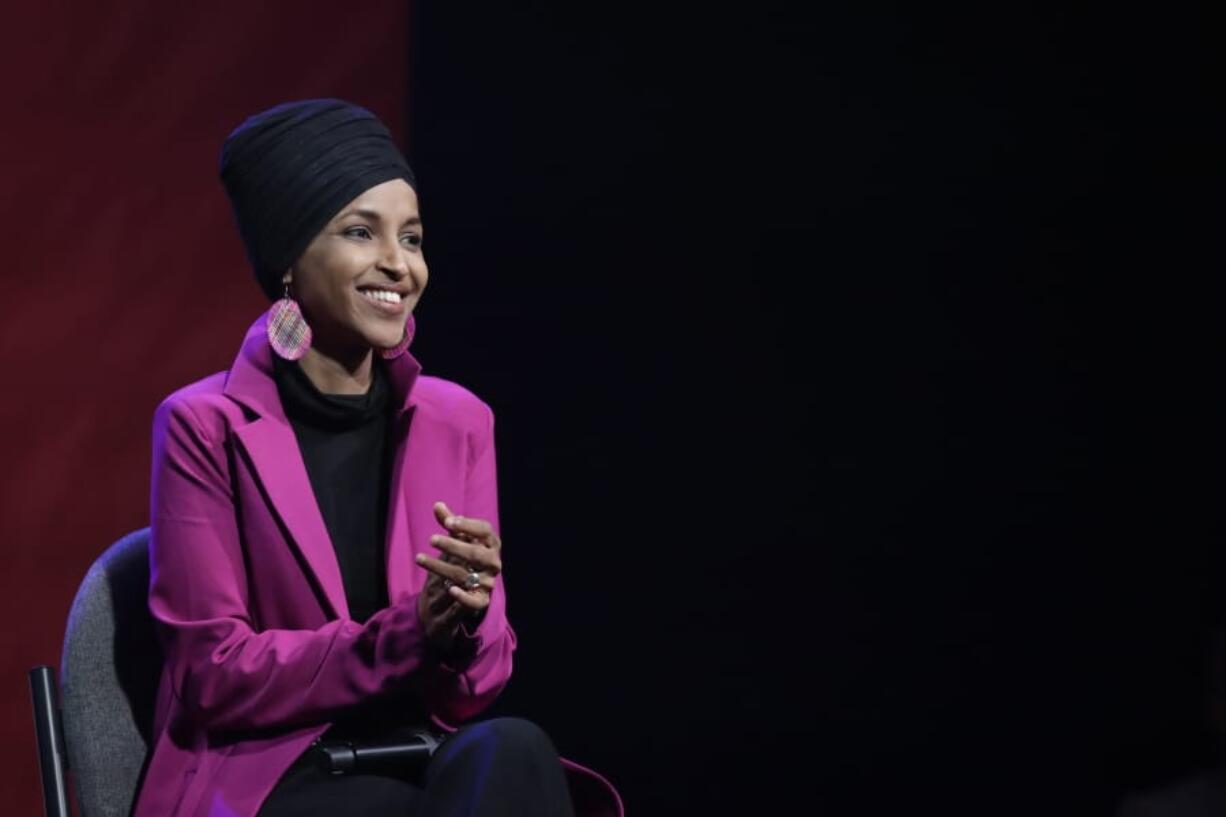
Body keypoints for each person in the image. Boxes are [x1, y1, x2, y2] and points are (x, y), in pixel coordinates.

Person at [131, 99, 621, 817]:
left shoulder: (459, 420)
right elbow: (213, 675)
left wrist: (463, 625)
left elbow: (474, 689)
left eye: (414, 238)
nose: (400, 263)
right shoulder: (204, 426)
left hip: (421, 757)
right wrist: (406, 634)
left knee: (516, 747)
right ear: (290, 261)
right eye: (362, 232)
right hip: (272, 776)